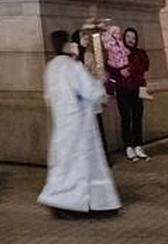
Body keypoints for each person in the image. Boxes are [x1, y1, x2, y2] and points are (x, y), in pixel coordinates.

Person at [37, 29, 121, 219]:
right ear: (67, 44)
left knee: (64, 163)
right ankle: (76, 202)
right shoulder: (72, 67)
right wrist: (101, 82)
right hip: (79, 123)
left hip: (61, 122)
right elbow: (91, 91)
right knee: (81, 164)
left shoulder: (51, 67)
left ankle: (74, 199)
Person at [107, 25, 150, 160]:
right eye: (128, 37)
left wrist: (129, 69)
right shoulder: (117, 52)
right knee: (126, 118)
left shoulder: (140, 53)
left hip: (136, 89)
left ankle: (138, 145)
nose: (131, 40)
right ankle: (128, 147)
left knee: (137, 117)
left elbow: (144, 65)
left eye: (133, 38)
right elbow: (110, 68)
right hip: (122, 89)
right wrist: (119, 71)